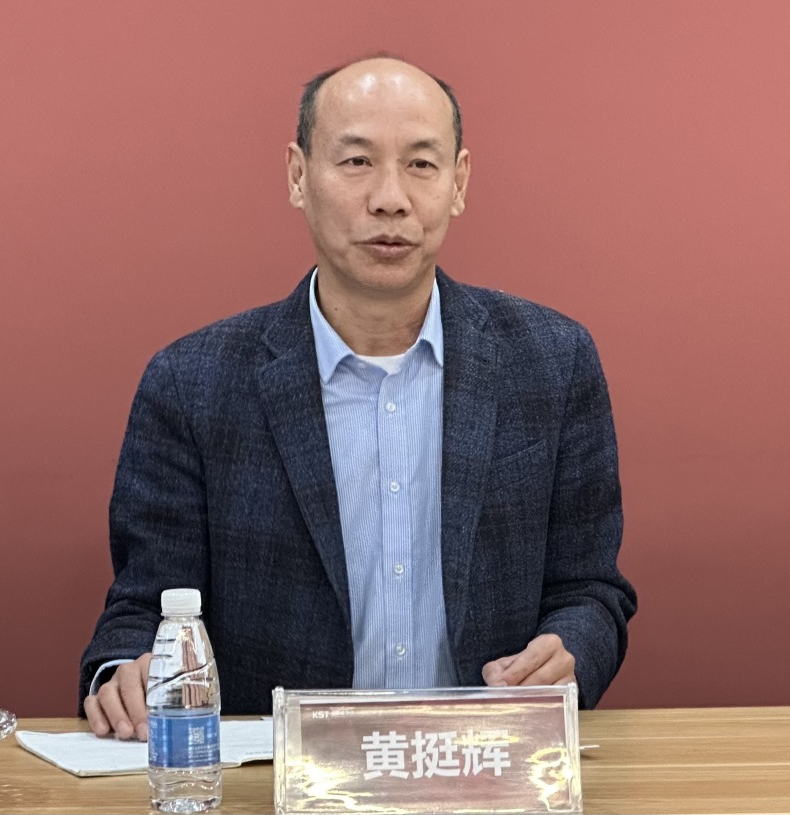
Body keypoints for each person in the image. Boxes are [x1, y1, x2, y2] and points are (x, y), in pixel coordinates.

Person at [80, 56, 636, 741]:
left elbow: (591, 589)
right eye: (357, 162)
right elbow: (146, 608)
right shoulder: (192, 382)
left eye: (421, 165)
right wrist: (125, 674)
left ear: (459, 183)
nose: (390, 198)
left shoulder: (552, 362)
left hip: (482, 765)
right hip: (278, 775)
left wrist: (571, 650)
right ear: (297, 175)